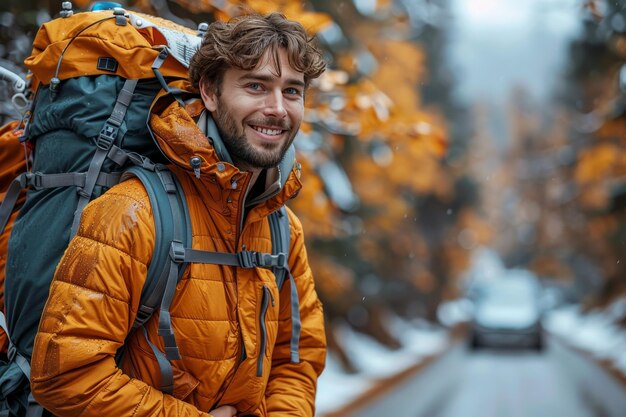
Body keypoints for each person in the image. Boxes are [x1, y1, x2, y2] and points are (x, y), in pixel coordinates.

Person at [30, 12, 327, 417]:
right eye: (256, 86)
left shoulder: (281, 229)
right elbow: (65, 376)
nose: (277, 109)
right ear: (208, 91)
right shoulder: (134, 213)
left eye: (292, 91)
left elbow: (296, 360)